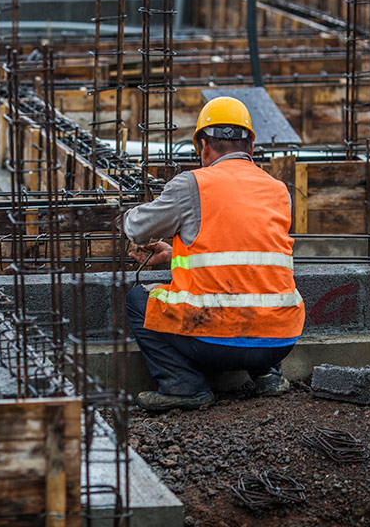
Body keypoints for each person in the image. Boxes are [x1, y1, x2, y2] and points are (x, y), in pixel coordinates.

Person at [124, 96, 305, 411]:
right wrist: (174, 254)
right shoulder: (278, 189)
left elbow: (137, 228)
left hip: (213, 341)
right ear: (251, 146)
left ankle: (184, 386)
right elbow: (247, 251)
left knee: (137, 300)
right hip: (280, 340)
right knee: (263, 290)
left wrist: (121, 214)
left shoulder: (193, 184)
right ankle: (268, 375)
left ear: (203, 146)